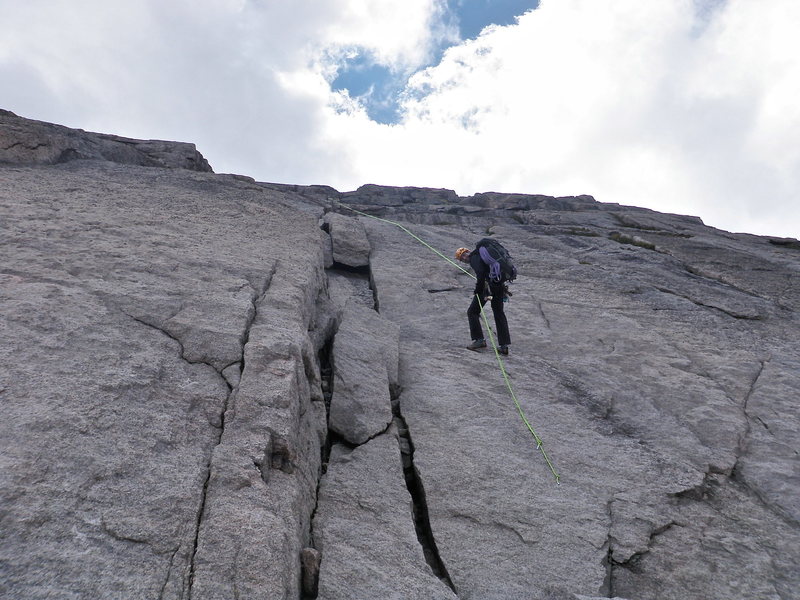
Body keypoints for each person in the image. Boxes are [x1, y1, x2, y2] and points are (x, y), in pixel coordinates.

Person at [456, 244, 511, 355]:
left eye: (463, 257)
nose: (464, 259)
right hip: (499, 285)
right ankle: (504, 346)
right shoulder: (483, 255)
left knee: (472, 311)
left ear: (467, 254)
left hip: (487, 287)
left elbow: (481, 274)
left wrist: (477, 290)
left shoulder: (474, 258)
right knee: (499, 313)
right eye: (462, 259)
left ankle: (479, 340)